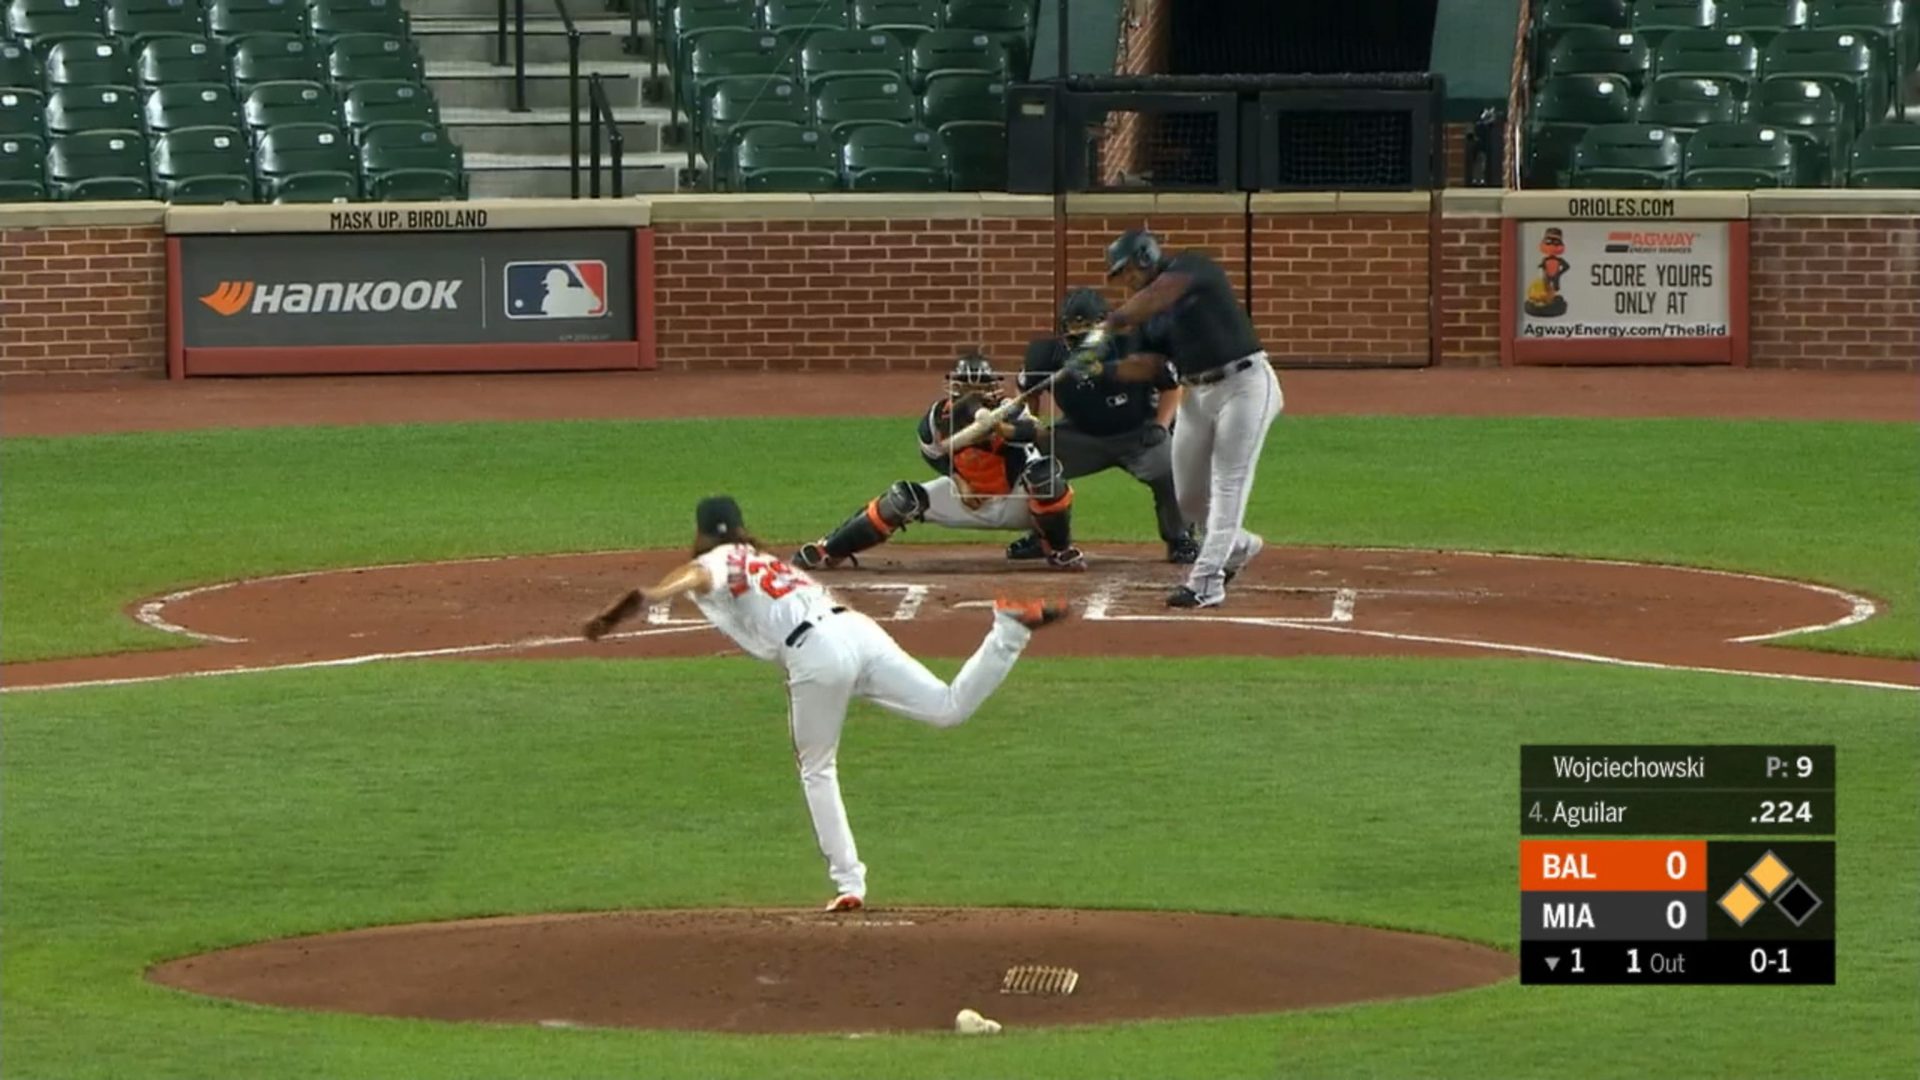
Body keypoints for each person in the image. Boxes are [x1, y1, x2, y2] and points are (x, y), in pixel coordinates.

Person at [583, 496, 1069, 912]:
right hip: (857, 631)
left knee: (817, 768)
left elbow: (672, 585)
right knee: (947, 708)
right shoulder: (766, 560)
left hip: (815, 652)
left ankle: (849, 882)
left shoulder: (714, 561)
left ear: (700, 532)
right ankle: (1008, 631)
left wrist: (626, 607)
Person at [1074, 229, 1283, 608]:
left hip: (1245, 385)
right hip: (1196, 396)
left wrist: (1106, 326)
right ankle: (1239, 546)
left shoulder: (1191, 267)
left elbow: (1159, 295)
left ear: (1145, 257)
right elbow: (1149, 365)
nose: (1125, 280)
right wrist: (1100, 369)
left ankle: (1206, 583)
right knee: (1188, 499)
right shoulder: (1147, 319)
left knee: (1228, 484)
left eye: (1126, 271)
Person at [792, 351, 1086, 572]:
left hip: (1015, 500)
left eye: (980, 387)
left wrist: (998, 427)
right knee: (901, 499)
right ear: (954, 387)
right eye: (967, 387)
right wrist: (959, 481)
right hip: (967, 498)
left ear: (993, 388)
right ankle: (829, 549)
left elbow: (1036, 433)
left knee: (1046, 478)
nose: (974, 394)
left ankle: (1056, 547)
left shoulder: (1010, 411)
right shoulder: (937, 420)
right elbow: (933, 453)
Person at [1009, 287, 1197, 565]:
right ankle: (1046, 535)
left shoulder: (1135, 346)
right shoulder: (1046, 355)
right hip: (1080, 435)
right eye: (1075, 329)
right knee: (1032, 463)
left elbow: (1171, 386)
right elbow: (1028, 393)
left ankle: (1179, 536)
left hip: (1137, 433)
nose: (1081, 336)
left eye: (1089, 328)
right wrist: (1029, 422)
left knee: (1170, 468)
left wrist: (1160, 425)